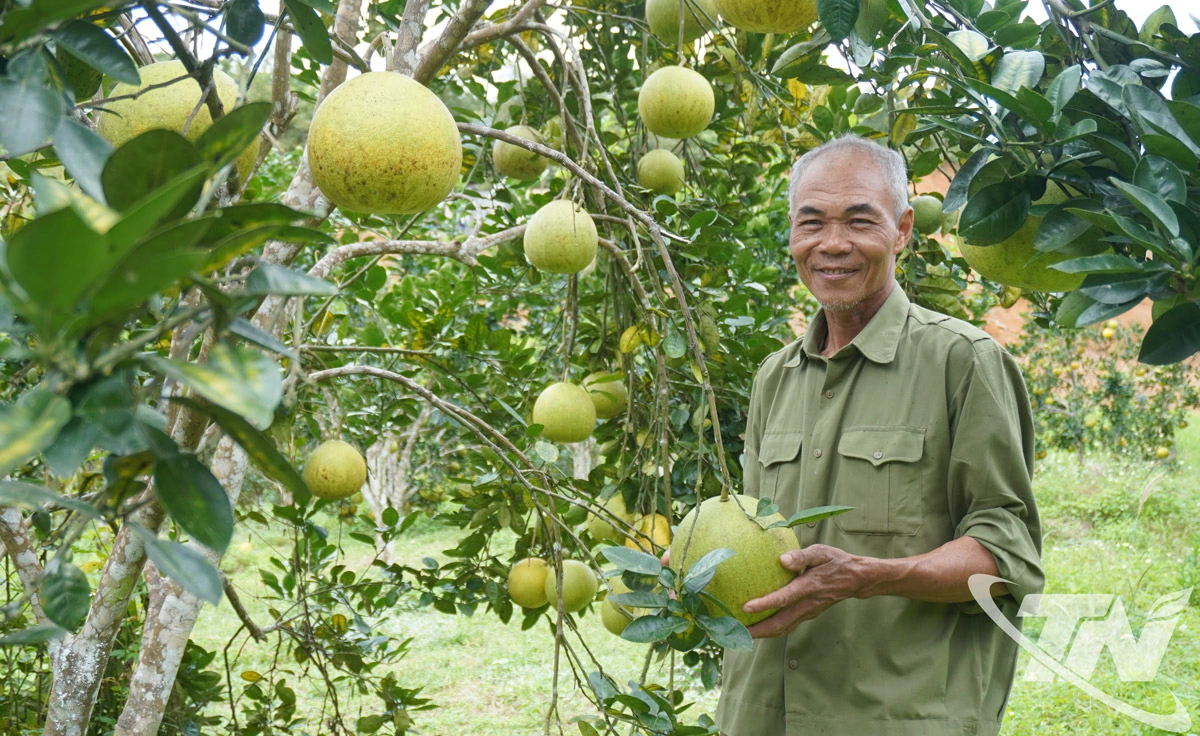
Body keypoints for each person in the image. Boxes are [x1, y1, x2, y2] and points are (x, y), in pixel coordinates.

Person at [715, 135, 1044, 736]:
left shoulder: (963, 362)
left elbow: (1008, 556)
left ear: (902, 231)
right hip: (760, 711)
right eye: (811, 222)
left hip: (895, 716)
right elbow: (759, 538)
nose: (832, 244)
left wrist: (869, 576)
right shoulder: (774, 378)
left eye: (859, 221)